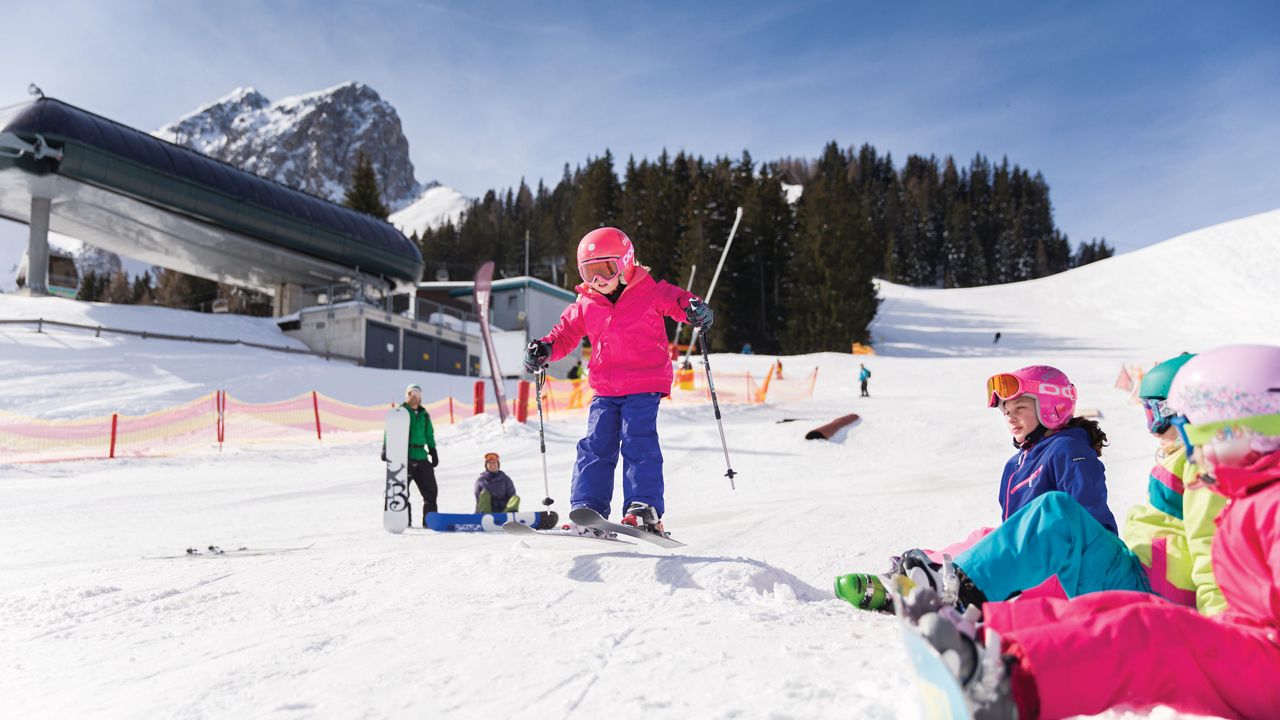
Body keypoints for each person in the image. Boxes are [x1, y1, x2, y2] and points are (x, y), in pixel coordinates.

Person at [908, 344, 1280, 719]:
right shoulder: (1239, 491)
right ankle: (980, 637)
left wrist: (1213, 633)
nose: (1192, 447)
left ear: (1247, 429)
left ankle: (1008, 686)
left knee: (1148, 632)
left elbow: (1208, 559)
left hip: (1234, 643)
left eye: (1196, 430)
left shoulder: (1242, 494)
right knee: (1096, 610)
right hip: (1188, 607)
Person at [885, 353, 1227, 617]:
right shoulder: (1182, 463)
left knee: (1058, 511)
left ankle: (961, 590)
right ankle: (931, 576)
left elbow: (1211, 548)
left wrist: (1220, 625)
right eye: (1147, 413)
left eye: (1157, 413)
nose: (1152, 427)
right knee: (988, 534)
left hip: (1147, 594)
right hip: (1134, 578)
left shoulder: (1203, 467)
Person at [835, 365, 1115, 610]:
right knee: (983, 535)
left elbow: (1092, 525)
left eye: (1020, 408)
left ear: (1053, 408)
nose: (1010, 417)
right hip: (1029, 569)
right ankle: (919, 572)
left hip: (1062, 574)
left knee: (990, 541)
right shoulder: (1016, 465)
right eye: (1006, 411)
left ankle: (941, 583)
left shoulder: (1069, 450)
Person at [521, 227, 711, 536]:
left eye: (605, 269)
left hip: (644, 382)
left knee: (638, 440)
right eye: (589, 272)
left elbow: (678, 301)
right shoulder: (586, 302)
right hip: (606, 387)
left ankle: (643, 506)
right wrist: (545, 349)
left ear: (625, 263)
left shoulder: (649, 290)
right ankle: (589, 508)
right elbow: (564, 334)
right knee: (595, 445)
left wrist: (694, 309)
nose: (597, 280)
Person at [382, 383, 439, 527]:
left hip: (421, 455)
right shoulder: (400, 413)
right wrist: (386, 447)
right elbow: (390, 431)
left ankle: (429, 522)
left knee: (431, 491)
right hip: (404, 456)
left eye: (418, 394)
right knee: (400, 491)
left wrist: (433, 451)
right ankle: (403, 521)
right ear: (407, 396)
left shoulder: (424, 415)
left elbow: (429, 434)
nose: (415, 397)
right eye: (412, 394)